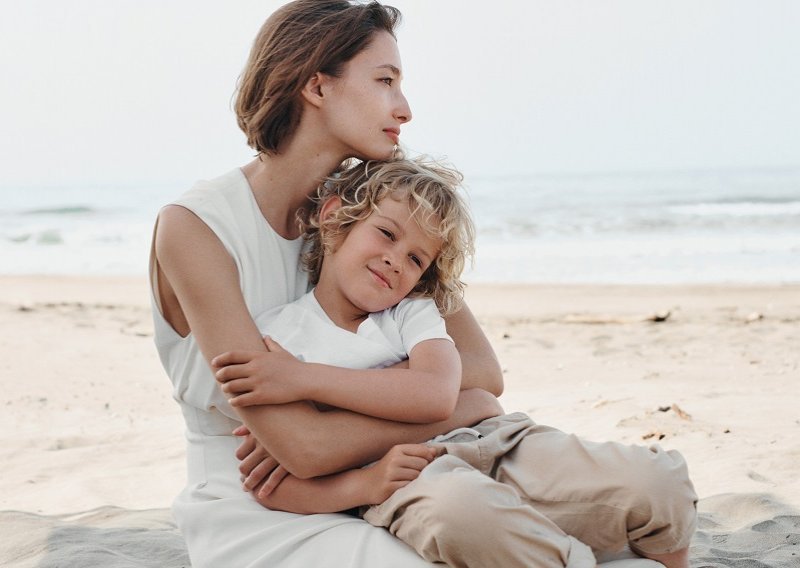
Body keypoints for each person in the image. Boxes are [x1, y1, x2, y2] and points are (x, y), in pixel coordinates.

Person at [150, 2, 503, 567]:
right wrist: (457, 406)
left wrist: (322, 395)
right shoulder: (196, 229)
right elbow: (304, 450)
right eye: (385, 81)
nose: (405, 109)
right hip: (260, 507)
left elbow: (483, 370)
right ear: (317, 86)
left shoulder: (370, 211)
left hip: (386, 478)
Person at [212, 160, 698, 568]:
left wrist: (304, 379)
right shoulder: (277, 337)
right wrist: (365, 482)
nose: (395, 261)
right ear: (338, 218)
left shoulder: (411, 312)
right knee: (461, 513)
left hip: (495, 440)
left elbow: (436, 393)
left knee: (655, 482)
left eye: (416, 259)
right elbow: (273, 487)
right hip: (406, 476)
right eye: (385, 233)